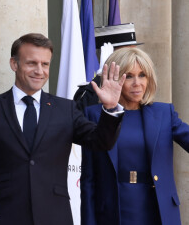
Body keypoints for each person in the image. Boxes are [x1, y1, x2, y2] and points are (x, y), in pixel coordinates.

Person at [0, 33, 126, 225]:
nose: (39, 71)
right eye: (31, 63)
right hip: (5, 215)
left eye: (45, 64)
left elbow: (101, 141)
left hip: (54, 215)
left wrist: (109, 109)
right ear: (14, 64)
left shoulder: (66, 109)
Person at [81, 47, 189, 225]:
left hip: (158, 210)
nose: (137, 83)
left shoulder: (163, 113)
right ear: (113, 78)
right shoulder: (94, 115)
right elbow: (88, 180)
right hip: (112, 211)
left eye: (142, 75)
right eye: (128, 76)